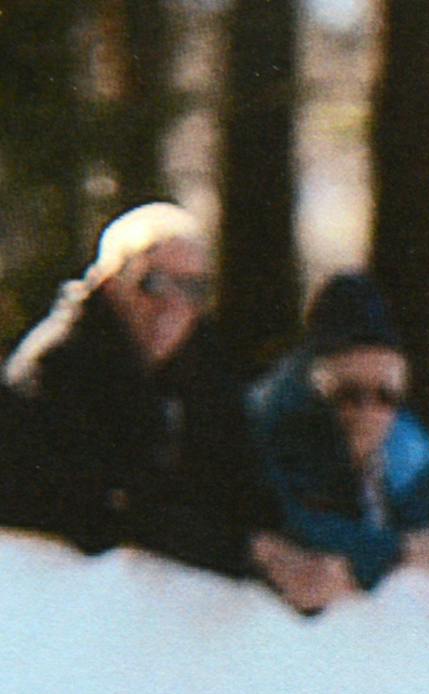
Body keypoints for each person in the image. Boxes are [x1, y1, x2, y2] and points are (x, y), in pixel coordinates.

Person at [0, 203, 340, 610]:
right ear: (110, 285)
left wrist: (298, 553)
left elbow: (239, 478)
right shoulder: (60, 365)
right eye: (154, 283)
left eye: (193, 289)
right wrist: (245, 549)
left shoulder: (200, 364)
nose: (172, 304)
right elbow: (107, 508)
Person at [249, 271, 429, 624]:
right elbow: (287, 523)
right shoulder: (273, 422)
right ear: (315, 387)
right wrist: (400, 550)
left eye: (385, 395)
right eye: (349, 394)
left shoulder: (406, 442)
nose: (369, 412)